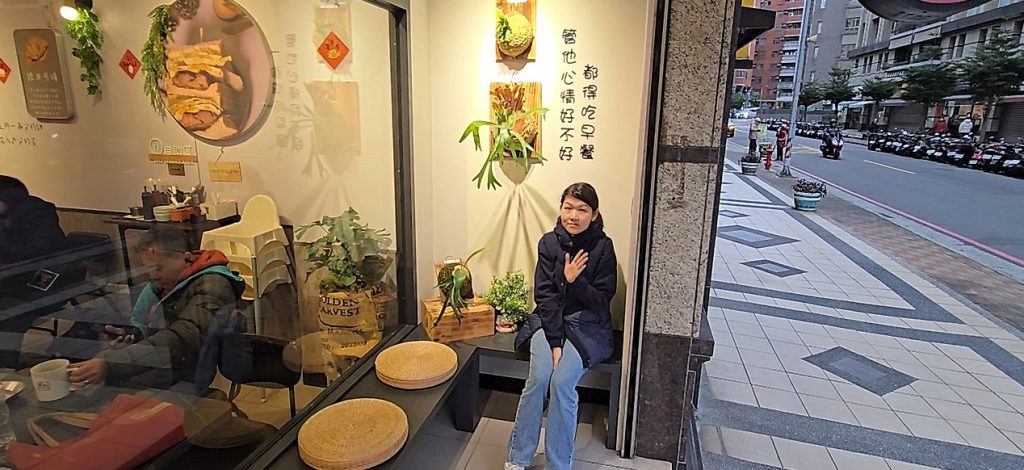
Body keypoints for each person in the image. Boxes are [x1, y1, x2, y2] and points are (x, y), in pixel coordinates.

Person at [506, 183, 616, 470]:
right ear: (561, 209)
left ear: (594, 214)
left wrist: (573, 281)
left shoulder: (603, 247)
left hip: (587, 326)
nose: (573, 216)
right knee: (538, 379)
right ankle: (517, 458)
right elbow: (544, 297)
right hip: (549, 321)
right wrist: (555, 343)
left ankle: (558, 464)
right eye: (568, 208)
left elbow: (602, 300)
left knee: (562, 383)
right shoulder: (548, 243)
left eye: (582, 210)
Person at [68, 226, 244, 390]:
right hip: (164, 365)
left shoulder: (213, 284)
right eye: (149, 269)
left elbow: (185, 335)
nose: (153, 276)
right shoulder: (163, 286)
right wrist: (132, 334)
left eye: (158, 268)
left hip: (184, 377)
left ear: (187, 257)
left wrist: (112, 363)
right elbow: (155, 328)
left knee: (99, 395)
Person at [0, 175, 77, 368]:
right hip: (13, 282)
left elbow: (37, 254)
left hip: (50, 279)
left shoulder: (38, 214)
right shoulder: (6, 216)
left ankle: (5, 369)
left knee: (10, 311)